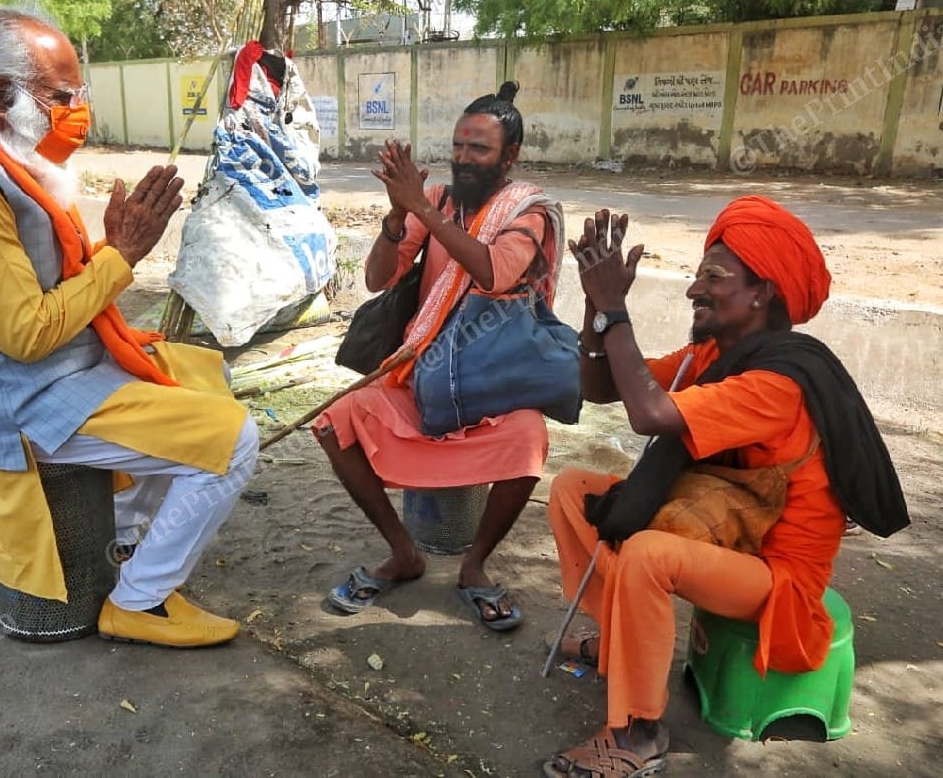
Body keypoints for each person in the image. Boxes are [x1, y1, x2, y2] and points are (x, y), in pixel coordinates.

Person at [0, 5, 258, 649]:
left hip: (65, 372)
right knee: (234, 441)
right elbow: (25, 333)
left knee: (203, 370)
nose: (78, 110)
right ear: (1, 95)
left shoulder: (1, 157)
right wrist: (121, 255)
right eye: (62, 96)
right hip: (24, 401)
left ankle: (118, 541)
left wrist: (107, 248)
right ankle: (140, 601)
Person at [540, 197, 908, 777]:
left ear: (762, 292)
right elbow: (602, 387)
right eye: (697, 274)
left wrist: (617, 309)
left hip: (776, 574)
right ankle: (616, 646)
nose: (694, 290)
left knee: (646, 553)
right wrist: (595, 307)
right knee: (571, 489)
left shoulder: (777, 382)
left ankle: (637, 733)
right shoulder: (713, 353)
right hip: (724, 525)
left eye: (714, 277)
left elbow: (650, 414)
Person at [315, 82, 566, 631]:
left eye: (478, 149)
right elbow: (378, 278)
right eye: (458, 146)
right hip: (420, 372)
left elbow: (494, 271)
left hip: (491, 381)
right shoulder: (442, 204)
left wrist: (422, 210)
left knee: (529, 440)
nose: (463, 158)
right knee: (334, 424)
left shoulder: (527, 211)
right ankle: (404, 554)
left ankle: (474, 565)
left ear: (510, 156)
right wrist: (394, 217)